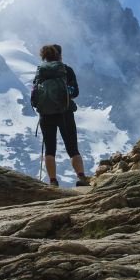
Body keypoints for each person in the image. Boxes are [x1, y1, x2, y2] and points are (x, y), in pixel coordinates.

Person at [33, 44, 90, 187]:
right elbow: (75, 92)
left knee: (49, 149)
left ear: (44, 57)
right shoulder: (66, 70)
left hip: (45, 115)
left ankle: (52, 182)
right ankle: (81, 178)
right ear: (60, 55)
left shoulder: (40, 72)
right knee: (72, 148)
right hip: (64, 113)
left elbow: (34, 94)